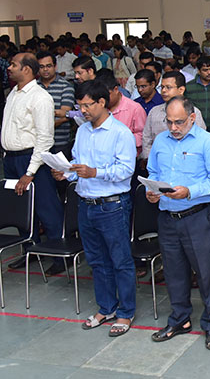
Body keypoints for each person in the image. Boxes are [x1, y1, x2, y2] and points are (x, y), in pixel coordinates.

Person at [50, 80, 137, 336]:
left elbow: (126, 170)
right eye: (80, 106)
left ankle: (126, 312)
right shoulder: (83, 131)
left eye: (88, 105)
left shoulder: (120, 133)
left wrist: (94, 172)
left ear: (102, 102)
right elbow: (79, 164)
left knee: (120, 261)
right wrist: (66, 173)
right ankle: (107, 307)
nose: (83, 110)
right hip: (86, 203)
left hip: (112, 206)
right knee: (97, 260)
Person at [146, 97, 210, 350]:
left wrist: (190, 191)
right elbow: (153, 172)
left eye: (179, 122)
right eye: (169, 122)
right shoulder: (160, 141)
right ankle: (180, 319)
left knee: (205, 273)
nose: (173, 127)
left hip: (197, 216)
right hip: (167, 217)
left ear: (192, 118)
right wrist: (152, 190)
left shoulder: (208, 142)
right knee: (173, 272)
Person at [1, 53, 64, 272]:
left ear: (26, 69)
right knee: (22, 209)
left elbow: (45, 138)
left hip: (32, 159)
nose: (9, 68)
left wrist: (30, 172)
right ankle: (31, 250)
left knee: (47, 209)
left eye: (13, 65)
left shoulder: (40, 97)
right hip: (12, 158)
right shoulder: (13, 93)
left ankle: (59, 256)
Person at [141, 71, 206, 160]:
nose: (163, 91)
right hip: (159, 161)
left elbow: (200, 140)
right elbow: (146, 138)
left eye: (168, 87)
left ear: (181, 90)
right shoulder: (154, 112)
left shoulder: (193, 112)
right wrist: (150, 159)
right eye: (162, 87)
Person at [97, 69, 146, 155]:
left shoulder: (134, 108)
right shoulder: (99, 108)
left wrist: (121, 140)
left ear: (116, 89)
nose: (103, 100)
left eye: (106, 95)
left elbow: (143, 135)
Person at [36, 51, 75, 158]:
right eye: (41, 67)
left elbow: (65, 115)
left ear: (55, 66)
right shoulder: (33, 87)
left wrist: (40, 127)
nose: (45, 69)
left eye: (48, 66)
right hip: (37, 144)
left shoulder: (66, 86)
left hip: (60, 142)